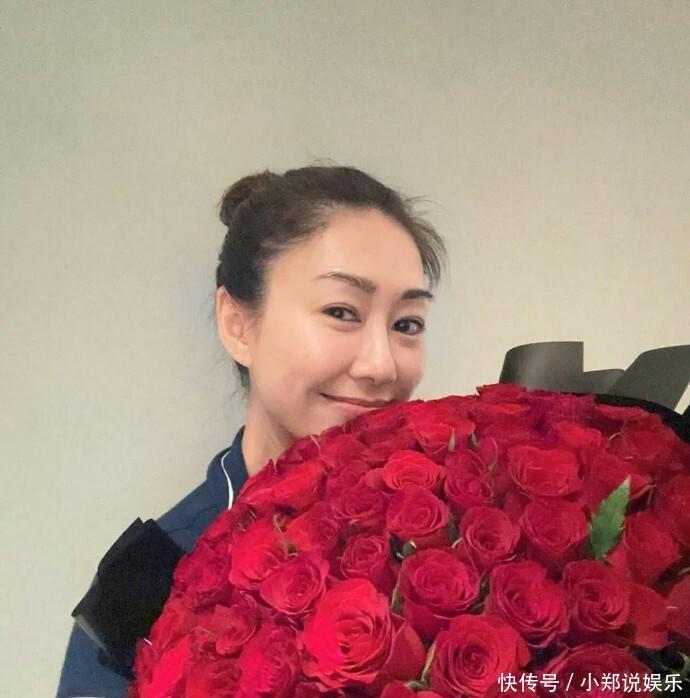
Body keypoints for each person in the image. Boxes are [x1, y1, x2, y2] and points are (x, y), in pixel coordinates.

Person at [56, 164, 448, 697]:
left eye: (406, 324)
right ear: (237, 325)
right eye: (341, 311)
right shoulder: (146, 586)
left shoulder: (454, 532)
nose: (381, 365)